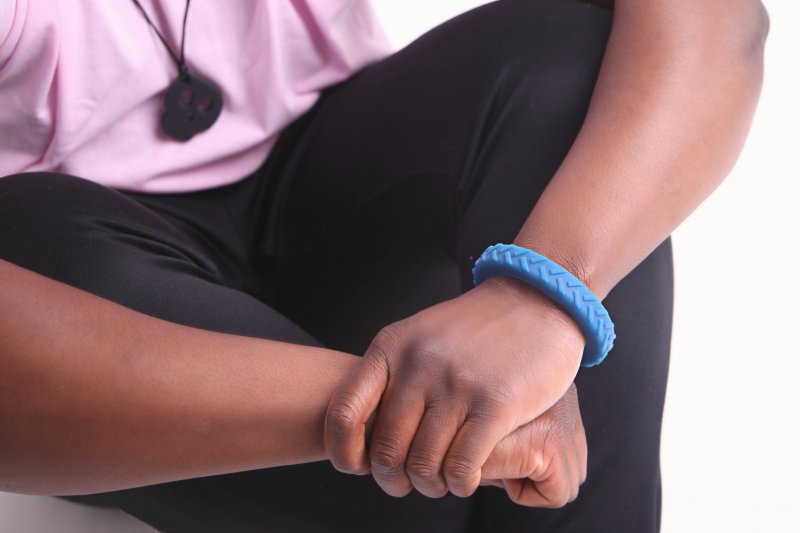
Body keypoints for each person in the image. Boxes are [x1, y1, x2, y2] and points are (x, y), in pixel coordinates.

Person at [0, 0, 768, 531]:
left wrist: (541, 299)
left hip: (345, 181)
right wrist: (405, 411)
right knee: (428, 492)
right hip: (89, 297)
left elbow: (715, 17)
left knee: (567, 65)